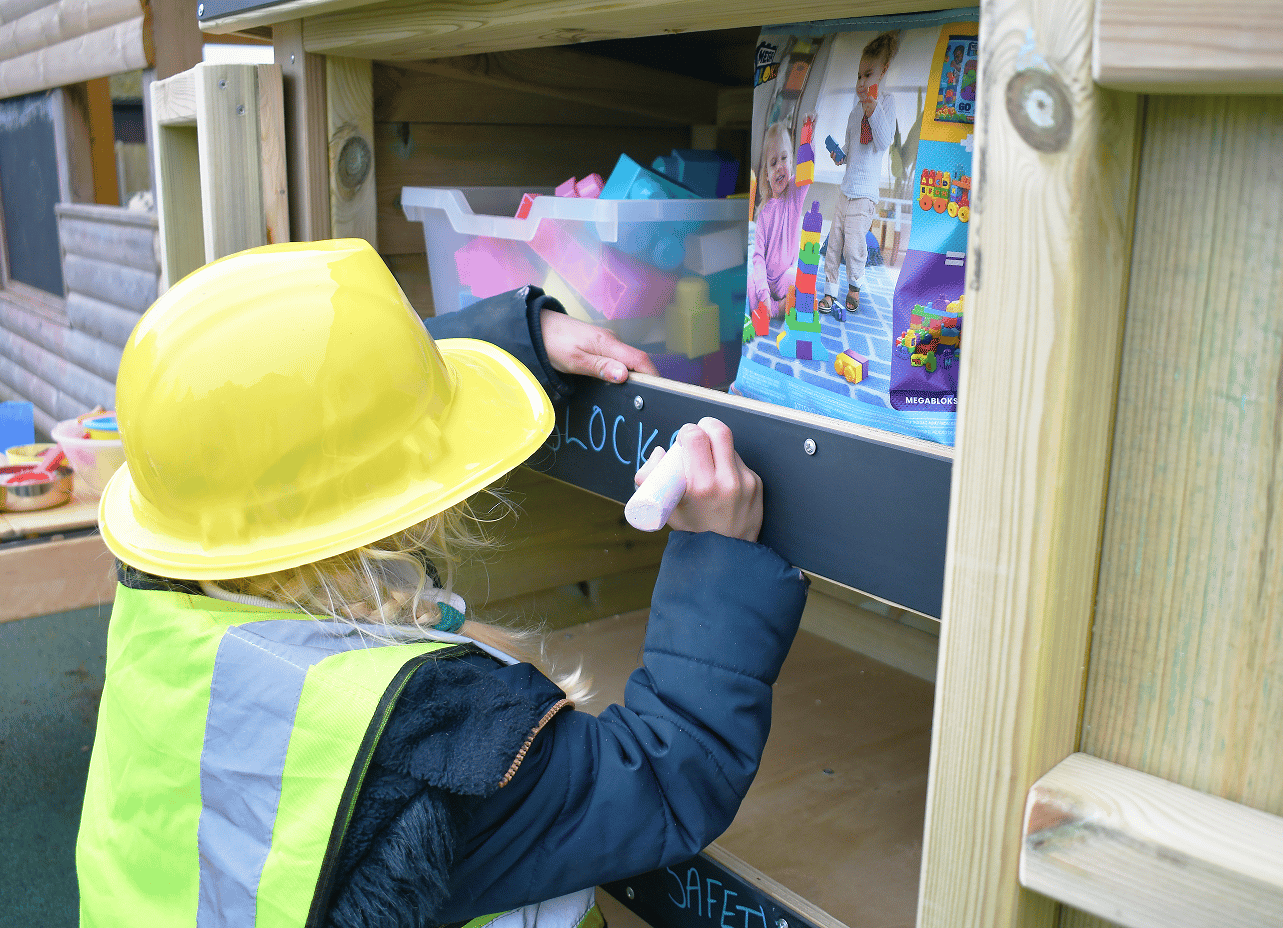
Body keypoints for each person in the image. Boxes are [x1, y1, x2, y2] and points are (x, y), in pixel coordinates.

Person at [76, 239, 809, 928]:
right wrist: (719, 556)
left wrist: (520, 341)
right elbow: (663, 777)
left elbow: (290, 395)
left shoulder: (161, 598)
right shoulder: (426, 751)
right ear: (391, 514)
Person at [821, 30, 899, 315]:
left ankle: (854, 285)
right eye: (858, 76)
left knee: (854, 246)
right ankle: (830, 290)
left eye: (868, 75)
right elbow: (852, 146)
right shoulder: (855, 111)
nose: (861, 82)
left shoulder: (886, 103)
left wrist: (872, 111)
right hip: (845, 190)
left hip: (865, 195)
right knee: (834, 243)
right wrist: (839, 155)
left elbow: (883, 141)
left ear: (884, 71)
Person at [749, 119, 811, 320]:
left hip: (786, 276)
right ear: (766, 174)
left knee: (800, 282)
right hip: (766, 280)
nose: (779, 167)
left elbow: (806, 171)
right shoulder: (764, 214)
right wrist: (764, 294)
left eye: (784, 159)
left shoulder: (795, 193)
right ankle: (774, 307)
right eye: (773, 163)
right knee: (750, 284)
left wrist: (808, 134)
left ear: (792, 163)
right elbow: (757, 257)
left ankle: (776, 308)